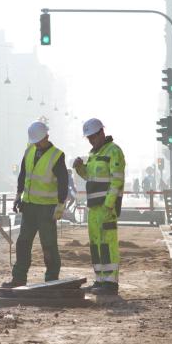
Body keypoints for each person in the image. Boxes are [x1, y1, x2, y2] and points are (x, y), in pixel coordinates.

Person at [2, 121, 68, 287]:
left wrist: (61, 204)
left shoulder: (57, 155)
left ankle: (52, 280)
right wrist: (18, 195)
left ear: (47, 136)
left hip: (47, 209)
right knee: (23, 243)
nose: (37, 144)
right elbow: (23, 175)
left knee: (49, 245)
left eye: (39, 141)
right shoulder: (30, 150)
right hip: (29, 206)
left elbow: (63, 182)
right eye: (35, 141)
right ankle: (18, 278)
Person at [73, 119, 126, 295]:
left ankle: (110, 283)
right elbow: (90, 176)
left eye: (93, 136)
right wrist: (80, 168)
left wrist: (109, 205)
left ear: (102, 132)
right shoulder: (94, 154)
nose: (91, 140)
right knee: (96, 244)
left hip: (105, 208)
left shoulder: (114, 151)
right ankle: (100, 279)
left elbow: (117, 180)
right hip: (94, 208)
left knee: (108, 243)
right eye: (89, 138)